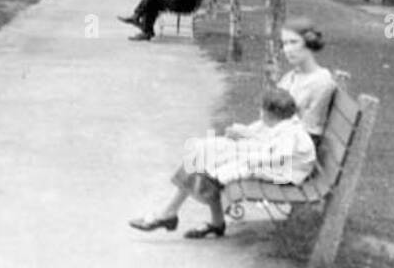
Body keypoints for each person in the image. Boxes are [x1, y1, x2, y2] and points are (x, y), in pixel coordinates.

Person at [128, 86, 317, 239]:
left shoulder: (289, 133)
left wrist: (241, 154)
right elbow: (263, 137)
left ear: (270, 114)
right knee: (202, 154)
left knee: (206, 164)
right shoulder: (284, 125)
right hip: (272, 164)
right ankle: (180, 215)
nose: (260, 114)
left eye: (262, 111)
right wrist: (242, 134)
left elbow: (275, 157)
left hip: (284, 173)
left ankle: (174, 215)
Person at [276, 16, 335, 150]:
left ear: (309, 43)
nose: (287, 49)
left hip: (293, 156)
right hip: (278, 145)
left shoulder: (321, 82)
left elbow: (309, 133)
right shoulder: (290, 77)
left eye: (293, 42)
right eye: (285, 43)